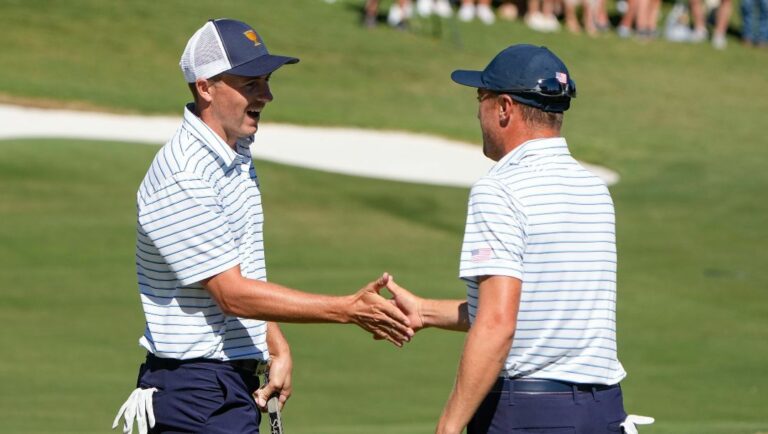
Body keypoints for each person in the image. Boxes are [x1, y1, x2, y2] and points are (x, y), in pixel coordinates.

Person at [112, 18, 412, 434]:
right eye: (251, 83)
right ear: (205, 87)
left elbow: (239, 269)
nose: (267, 95)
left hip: (223, 388)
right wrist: (346, 309)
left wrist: (273, 342)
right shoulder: (184, 174)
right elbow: (231, 294)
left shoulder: (234, 155)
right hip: (196, 395)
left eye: (266, 80)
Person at [385, 45, 648, 434]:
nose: (478, 111)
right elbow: (536, 310)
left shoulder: (499, 190)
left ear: (505, 108)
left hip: (529, 415)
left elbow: (497, 323)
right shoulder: (594, 189)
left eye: (482, 99)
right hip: (602, 411)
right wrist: (425, 312)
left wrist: (448, 426)